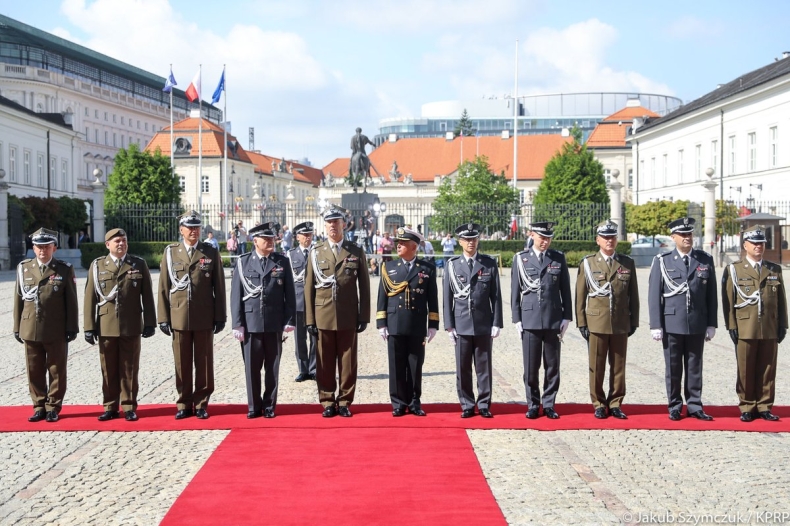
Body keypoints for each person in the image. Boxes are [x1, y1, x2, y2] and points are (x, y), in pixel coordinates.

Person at [158, 210, 227, 420]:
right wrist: (163, 317)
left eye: (197, 227)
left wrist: (220, 316)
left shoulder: (210, 252)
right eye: (190, 228)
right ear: (181, 230)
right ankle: (184, 403)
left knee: (204, 362)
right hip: (179, 316)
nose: (194, 231)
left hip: (204, 316)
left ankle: (202, 403)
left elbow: (219, 287)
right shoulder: (171, 253)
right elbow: (163, 287)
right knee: (182, 362)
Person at [648, 217, 717, 421]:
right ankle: (675, 405)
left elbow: (711, 295)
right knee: (673, 367)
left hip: (697, 321)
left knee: (695, 366)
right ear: (673, 237)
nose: (687, 237)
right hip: (672, 322)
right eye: (683, 234)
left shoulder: (704, 260)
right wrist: (656, 324)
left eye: (689, 234)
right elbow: (654, 295)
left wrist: (711, 323)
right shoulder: (663, 261)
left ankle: (695, 405)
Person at [84, 228, 156, 422]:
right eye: (117, 241)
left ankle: (129, 406)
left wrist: (150, 322)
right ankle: (110, 406)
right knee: (108, 369)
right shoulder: (98, 266)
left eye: (124, 240)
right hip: (106, 325)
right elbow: (90, 297)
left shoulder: (138, 264)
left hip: (131, 325)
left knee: (129, 368)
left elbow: (147, 295)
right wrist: (89, 327)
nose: (121, 244)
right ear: (107, 244)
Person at [305, 204, 370, 418]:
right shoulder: (316, 252)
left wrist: (363, 316)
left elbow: (364, 286)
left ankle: (344, 401)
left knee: (347, 362)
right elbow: (308, 287)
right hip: (322, 315)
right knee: (324, 362)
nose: (333, 226)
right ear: (324, 226)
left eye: (336, 222)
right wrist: (309, 319)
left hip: (347, 315)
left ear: (344, 224)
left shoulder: (355, 251)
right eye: (329, 222)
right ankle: (327, 401)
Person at [721, 225, 787, 422]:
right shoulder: (734, 270)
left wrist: (783, 325)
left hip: (769, 327)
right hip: (745, 327)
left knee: (768, 369)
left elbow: (781, 300)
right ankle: (747, 406)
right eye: (754, 243)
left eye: (761, 243)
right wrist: (731, 326)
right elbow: (728, 301)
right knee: (746, 369)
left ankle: (765, 406)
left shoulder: (773, 269)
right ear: (745, 245)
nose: (758, 246)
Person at [230, 222, 296, 419]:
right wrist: (237, 323)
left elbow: (289, 294)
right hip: (251, 323)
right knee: (252, 367)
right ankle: (253, 406)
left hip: (274, 322)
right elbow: (236, 295)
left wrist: (289, 319)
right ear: (255, 241)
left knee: (272, 368)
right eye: (265, 239)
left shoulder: (281, 261)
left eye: (272, 239)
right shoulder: (243, 262)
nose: (270, 242)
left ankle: (269, 405)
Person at [13, 228, 79, 423]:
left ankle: (53, 406)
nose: (43, 250)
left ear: (54, 248)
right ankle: (39, 405)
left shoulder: (64, 269)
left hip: (55, 329)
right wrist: (17, 327)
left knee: (57, 369)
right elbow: (18, 300)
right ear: (33, 248)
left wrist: (72, 327)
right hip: (30, 327)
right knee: (34, 369)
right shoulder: (24, 268)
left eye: (47, 247)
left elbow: (71, 301)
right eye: (39, 247)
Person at [575, 220, 639, 420]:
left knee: (618, 366)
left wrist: (634, 321)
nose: (609, 241)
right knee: (597, 366)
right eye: (605, 237)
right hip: (596, 322)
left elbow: (633, 295)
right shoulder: (588, 263)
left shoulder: (627, 263)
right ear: (598, 240)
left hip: (620, 322)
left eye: (612, 237)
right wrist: (581, 322)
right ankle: (598, 403)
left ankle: (616, 402)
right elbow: (580, 296)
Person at [511, 222, 572, 419]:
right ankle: (532, 404)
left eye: (548, 238)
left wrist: (567, 316)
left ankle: (549, 404)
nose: (545, 241)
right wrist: (516, 318)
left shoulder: (558, 258)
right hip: (529, 319)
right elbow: (515, 291)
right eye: (541, 237)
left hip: (553, 318)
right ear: (533, 236)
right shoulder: (521, 259)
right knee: (531, 367)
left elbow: (565, 290)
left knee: (552, 366)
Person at [377, 227, 439, 417]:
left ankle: (414, 401)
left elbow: (432, 298)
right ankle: (398, 402)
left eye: (403, 244)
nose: (398, 246)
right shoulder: (389, 267)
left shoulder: (427, 268)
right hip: (395, 321)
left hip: (416, 323)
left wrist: (433, 324)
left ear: (414, 247)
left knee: (415, 364)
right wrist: (381, 323)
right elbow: (382, 297)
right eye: (398, 243)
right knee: (396, 365)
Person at [443, 223, 503, 418]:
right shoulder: (452, 265)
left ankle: (484, 404)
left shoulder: (488, 264)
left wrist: (496, 322)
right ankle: (467, 404)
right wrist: (449, 326)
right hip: (461, 324)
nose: (471, 243)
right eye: (467, 239)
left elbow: (496, 296)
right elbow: (447, 298)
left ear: (478, 240)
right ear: (460, 242)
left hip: (483, 323)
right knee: (463, 368)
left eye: (474, 239)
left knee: (484, 367)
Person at [287, 222, 318, 382]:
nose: (308, 237)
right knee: (299, 338)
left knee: (315, 337)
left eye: (310, 235)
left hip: (314, 301)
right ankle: (303, 369)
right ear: (297, 237)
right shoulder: (290, 255)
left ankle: (314, 369)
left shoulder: (317, 253)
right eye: (304, 235)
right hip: (298, 302)